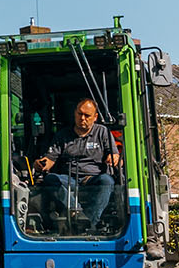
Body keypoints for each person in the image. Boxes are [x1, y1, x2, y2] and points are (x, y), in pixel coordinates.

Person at [35, 98, 120, 232]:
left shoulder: (102, 132)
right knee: (50, 179)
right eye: (80, 114)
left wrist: (113, 157)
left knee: (107, 180)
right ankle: (77, 213)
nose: (83, 118)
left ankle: (88, 223)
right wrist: (41, 164)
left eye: (87, 115)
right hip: (70, 179)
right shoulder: (62, 135)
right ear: (74, 113)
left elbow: (114, 154)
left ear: (95, 117)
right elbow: (50, 159)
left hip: (93, 179)